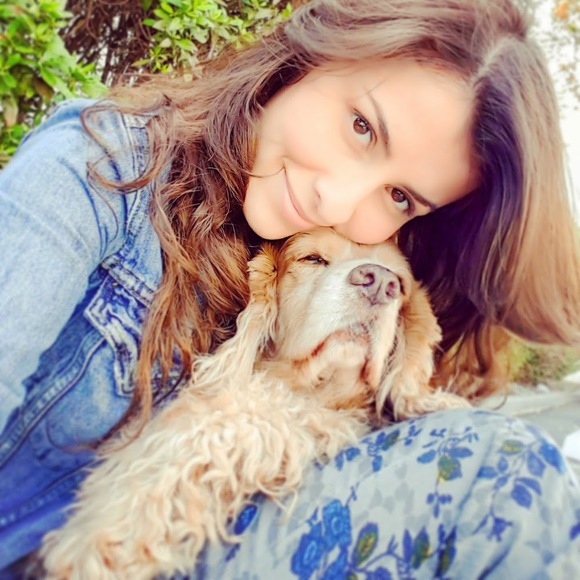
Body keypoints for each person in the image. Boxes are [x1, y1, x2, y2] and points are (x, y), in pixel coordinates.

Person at [1, 0, 579, 575]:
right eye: (362, 127)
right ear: (310, 57)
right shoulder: (101, 168)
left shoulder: (344, 279)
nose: (338, 201)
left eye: (400, 196)